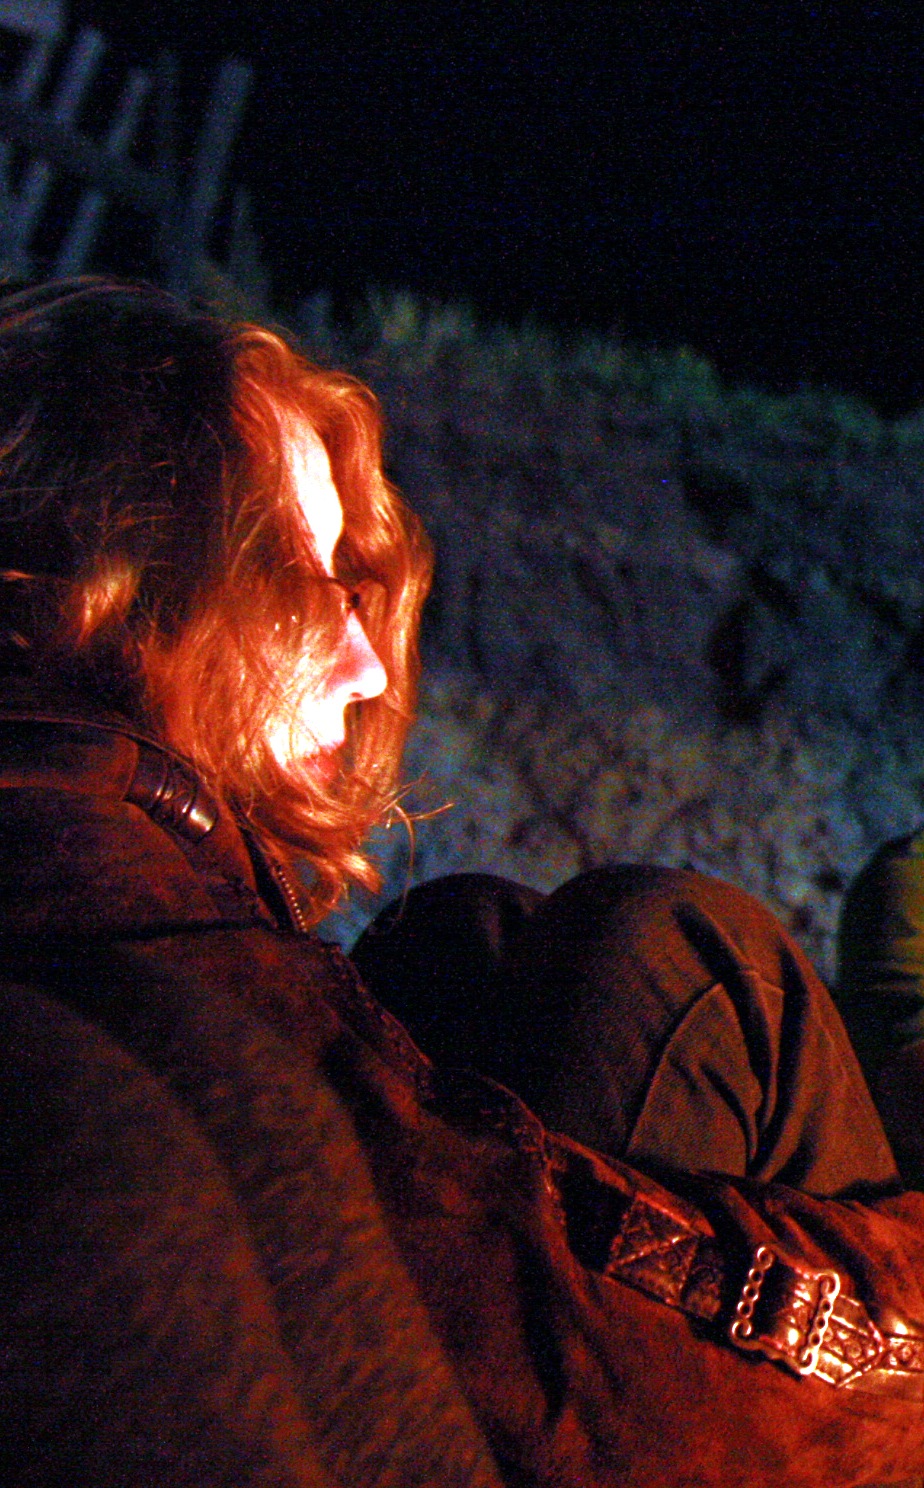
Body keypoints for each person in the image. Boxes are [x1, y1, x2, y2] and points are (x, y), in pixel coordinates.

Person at [2, 276, 924, 1488]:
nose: (367, 670)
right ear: (128, 584)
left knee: (464, 934)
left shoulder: (90, 855)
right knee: (692, 956)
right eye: (307, 584)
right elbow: (541, 1312)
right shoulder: (123, 920)